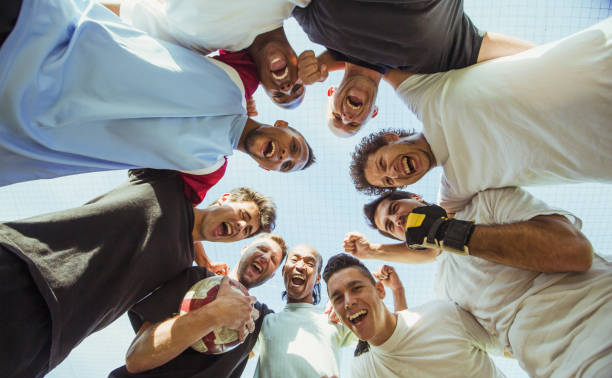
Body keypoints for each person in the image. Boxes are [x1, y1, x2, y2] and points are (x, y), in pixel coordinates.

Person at [0, 168, 277, 378]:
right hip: (23, 265)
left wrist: (200, 259)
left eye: (248, 229)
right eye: (242, 215)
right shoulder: (167, 184)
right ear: (225, 198)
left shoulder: (183, 271)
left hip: (53, 336)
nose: (241, 226)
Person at [0, 0, 315, 189]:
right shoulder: (241, 78)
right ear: (282, 126)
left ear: (267, 169)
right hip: (46, 31)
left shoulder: (207, 169)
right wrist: (315, 72)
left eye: (286, 165)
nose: (284, 155)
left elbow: (186, 216)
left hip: (22, 119)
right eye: (293, 147)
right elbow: (255, 38)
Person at [353, 187, 612, 378]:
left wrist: (444, 232)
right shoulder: (445, 290)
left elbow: (572, 250)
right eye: (389, 225)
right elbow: (502, 348)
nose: (396, 220)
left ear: (415, 196)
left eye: (395, 208)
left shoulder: (486, 202)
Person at [350, 18, 612, 212]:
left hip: (600, 61)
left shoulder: (422, 95)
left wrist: (338, 109)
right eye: (388, 182)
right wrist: (377, 251)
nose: (393, 175)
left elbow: (371, 51)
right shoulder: (455, 190)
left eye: (383, 164)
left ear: (390, 138)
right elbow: (434, 248)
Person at [92, 234, 287, 378]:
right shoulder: (197, 278)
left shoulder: (260, 319)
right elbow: (136, 357)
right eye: (262, 248)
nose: (265, 257)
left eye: (273, 260)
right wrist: (213, 314)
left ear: (272, 275)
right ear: (245, 249)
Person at [307, 254, 526, 378]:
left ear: (380, 290)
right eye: (338, 298)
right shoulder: (364, 372)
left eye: (356, 288)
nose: (348, 301)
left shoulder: (443, 315)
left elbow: (512, 346)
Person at [292, 0, 534, 136]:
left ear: (330, 92)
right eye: (353, 124)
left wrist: (318, 61)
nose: (346, 117)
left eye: (336, 117)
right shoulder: (432, 63)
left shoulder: (317, 30)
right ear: (373, 112)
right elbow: (535, 59)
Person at [107, 0, 309, 109]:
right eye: (297, 88)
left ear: (262, 81)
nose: (287, 87)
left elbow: (124, 14)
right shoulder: (291, 3)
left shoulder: (198, 43)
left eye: (279, 95)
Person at [248, 244, 374, 378]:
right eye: (294, 259)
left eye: (309, 263)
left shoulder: (333, 319)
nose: (300, 266)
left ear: (318, 278)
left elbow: (376, 329)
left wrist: (346, 307)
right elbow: (231, 354)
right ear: (283, 270)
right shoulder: (265, 322)